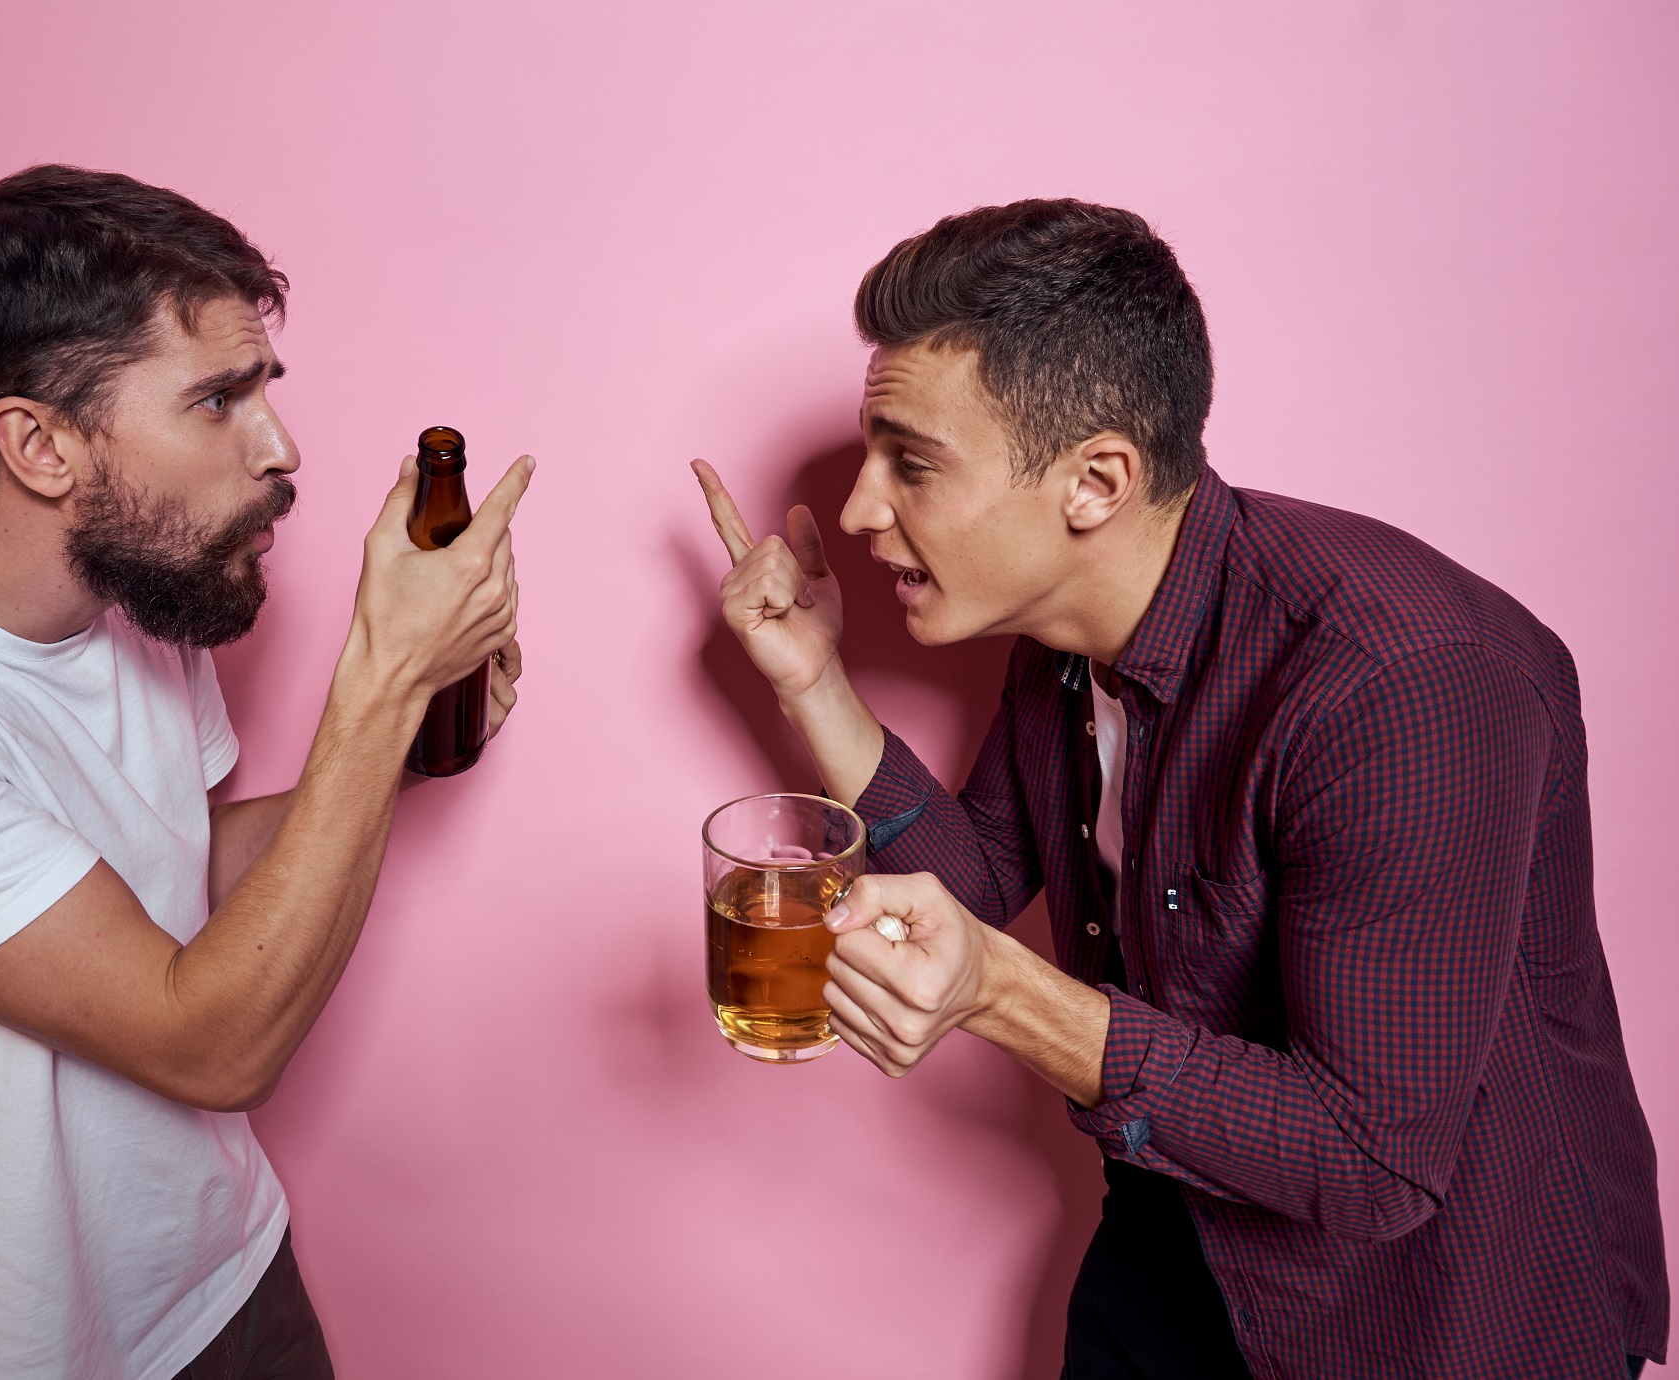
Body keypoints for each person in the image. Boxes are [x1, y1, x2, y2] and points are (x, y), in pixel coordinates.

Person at [694, 199, 1666, 1379]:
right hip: (1174, 1233)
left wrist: (1001, 993)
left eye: (913, 462)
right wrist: (812, 683)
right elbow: (979, 880)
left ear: (1095, 481)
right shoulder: (1056, 640)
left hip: (1432, 1316)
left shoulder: (1398, 683)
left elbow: (1370, 1159)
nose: (857, 510)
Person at [0, 164, 530, 1380]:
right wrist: (377, 690)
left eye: (264, 389)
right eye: (216, 400)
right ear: (40, 444)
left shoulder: (140, 602)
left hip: (229, 1279)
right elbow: (212, 1044)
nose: (280, 448)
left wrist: (399, 754)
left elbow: (180, 877)